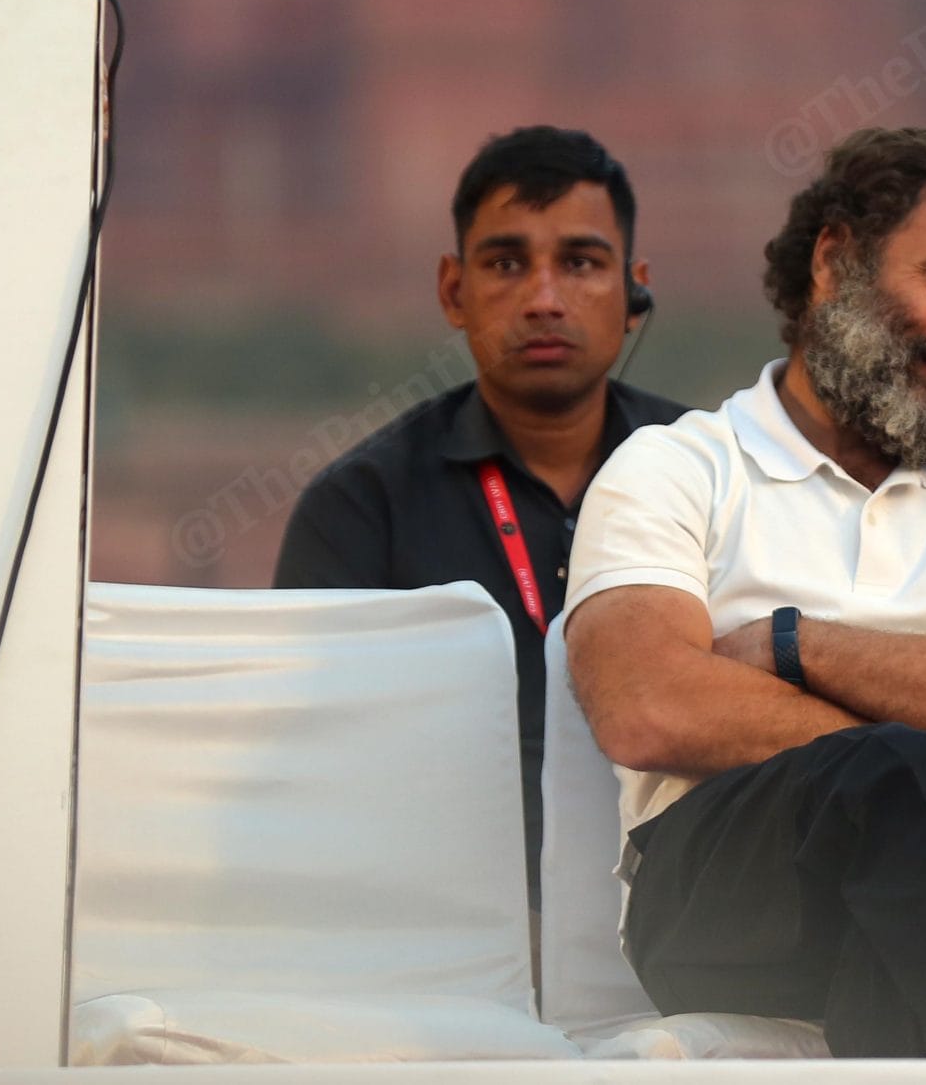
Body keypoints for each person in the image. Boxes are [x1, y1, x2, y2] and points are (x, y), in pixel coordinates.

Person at [562, 126, 926, 1058]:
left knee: (908, 935)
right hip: (720, 892)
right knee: (908, 785)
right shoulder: (678, 467)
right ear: (834, 260)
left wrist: (793, 643)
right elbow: (645, 702)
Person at [274, 125, 686, 897]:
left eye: (581, 263)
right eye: (505, 263)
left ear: (634, 293)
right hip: (436, 914)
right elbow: (315, 769)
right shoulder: (361, 507)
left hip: (681, 901)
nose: (543, 298)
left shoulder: (710, 474)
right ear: (452, 291)